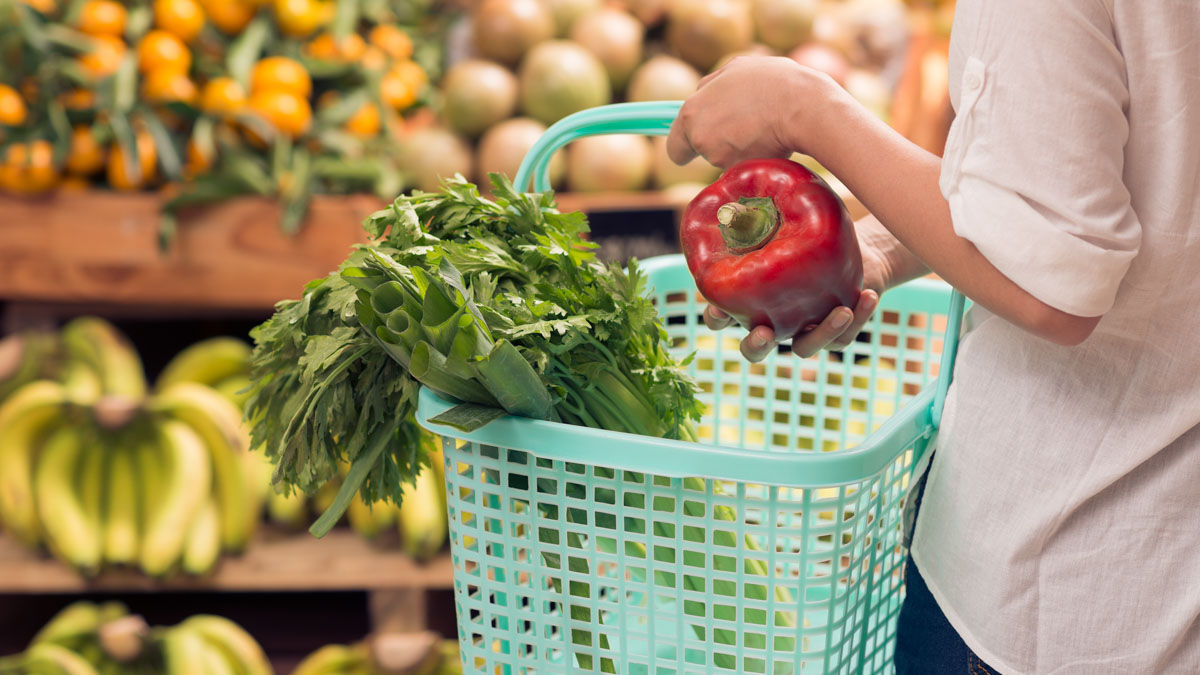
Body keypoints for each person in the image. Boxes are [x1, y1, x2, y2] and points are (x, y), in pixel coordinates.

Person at [666, 1, 1200, 673]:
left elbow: (1052, 289)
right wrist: (887, 244)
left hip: (1064, 586)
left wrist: (802, 107)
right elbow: (1128, 165)